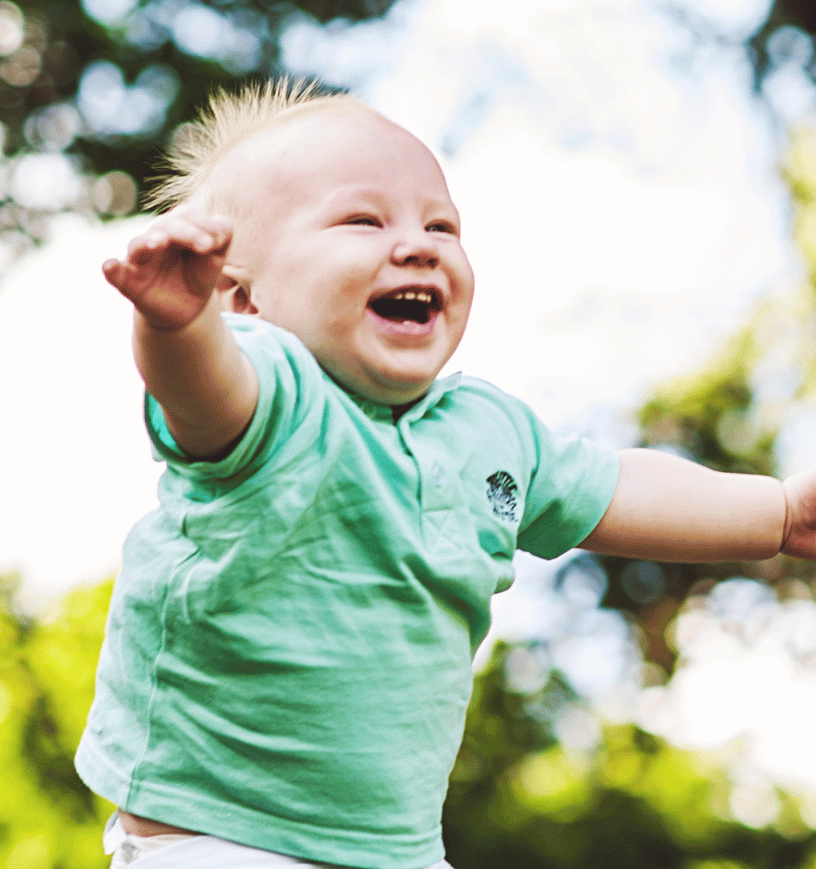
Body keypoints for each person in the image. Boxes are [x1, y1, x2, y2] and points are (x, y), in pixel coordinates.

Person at [75, 79, 816, 869]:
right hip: (217, 837)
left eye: (441, 225)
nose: (418, 243)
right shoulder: (271, 395)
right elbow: (200, 392)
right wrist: (175, 324)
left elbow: (620, 489)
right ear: (241, 298)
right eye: (362, 220)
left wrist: (776, 512)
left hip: (394, 850)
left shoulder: (487, 433)